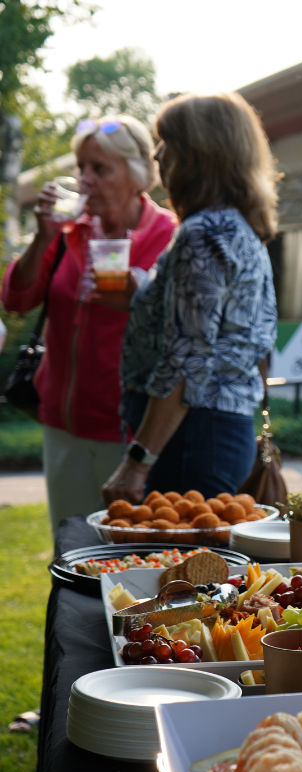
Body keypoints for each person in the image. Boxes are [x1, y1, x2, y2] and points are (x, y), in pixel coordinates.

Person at [100, 93, 278, 503]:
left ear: (197, 153)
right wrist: (147, 289)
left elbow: (188, 359)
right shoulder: (232, 226)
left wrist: (136, 463)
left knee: (174, 567)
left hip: (193, 440)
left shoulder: (202, 234)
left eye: (167, 140)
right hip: (207, 436)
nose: (157, 153)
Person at [1, 116, 176, 529]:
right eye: (81, 168)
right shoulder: (67, 231)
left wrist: (136, 300)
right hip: (63, 425)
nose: (85, 179)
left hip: (129, 429)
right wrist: (42, 237)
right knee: (71, 549)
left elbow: (181, 331)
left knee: (131, 554)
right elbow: (16, 298)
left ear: (137, 177)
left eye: (100, 168)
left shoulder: (169, 236)